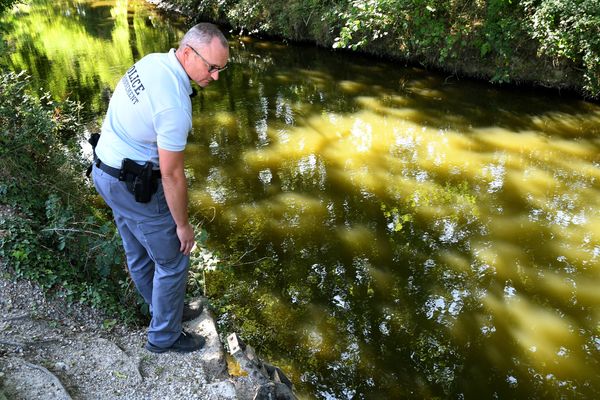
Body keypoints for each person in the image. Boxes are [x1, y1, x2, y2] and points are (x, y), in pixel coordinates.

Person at [91, 23, 229, 353]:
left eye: (221, 69)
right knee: (173, 261)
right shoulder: (174, 105)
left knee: (138, 252)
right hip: (132, 185)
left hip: (105, 170)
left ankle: (164, 309)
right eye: (212, 68)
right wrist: (183, 226)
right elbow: (172, 175)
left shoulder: (153, 62)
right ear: (187, 53)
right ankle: (164, 335)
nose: (215, 77)